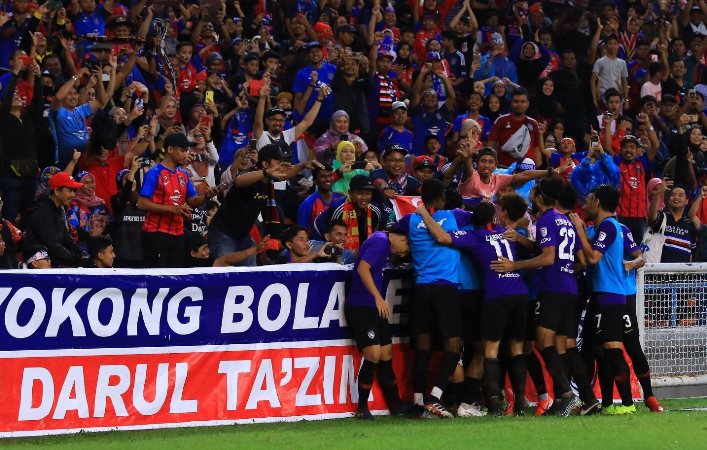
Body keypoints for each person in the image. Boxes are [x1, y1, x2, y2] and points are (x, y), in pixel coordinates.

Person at [491, 178, 598, 416]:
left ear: (539, 197)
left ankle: (567, 396)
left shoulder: (547, 220)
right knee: (563, 344)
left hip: (553, 288)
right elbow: (580, 260)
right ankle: (581, 399)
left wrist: (514, 265)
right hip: (570, 287)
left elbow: (548, 257)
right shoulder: (565, 220)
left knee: (542, 340)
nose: (531, 193)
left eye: (534, 190)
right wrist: (522, 240)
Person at [416, 200, 528, 416]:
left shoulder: (474, 236)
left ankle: (493, 405)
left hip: (495, 295)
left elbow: (442, 237)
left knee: (489, 350)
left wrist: (423, 213)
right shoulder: (507, 233)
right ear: (493, 218)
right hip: (519, 292)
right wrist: (520, 232)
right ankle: (520, 405)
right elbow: (533, 247)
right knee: (517, 349)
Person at [394, 180, 471, 418]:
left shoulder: (410, 220)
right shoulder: (454, 215)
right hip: (444, 289)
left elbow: (391, 234)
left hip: (420, 290)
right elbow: (480, 214)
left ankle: (418, 403)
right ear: (443, 198)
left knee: (423, 349)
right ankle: (434, 398)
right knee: (453, 348)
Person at [570, 185, 637, 415]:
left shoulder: (608, 226)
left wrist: (579, 229)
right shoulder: (605, 227)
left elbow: (592, 258)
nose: (584, 204)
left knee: (612, 350)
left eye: (588, 199)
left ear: (597, 202)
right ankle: (605, 403)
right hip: (602, 295)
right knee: (594, 348)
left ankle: (627, 404)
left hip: (609, 296)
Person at [346, 227, 411, 420]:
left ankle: (395, 404)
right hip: (362, 305)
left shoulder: (381, 241)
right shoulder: (380, 241)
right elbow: (362, 268)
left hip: (375, 307)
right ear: (402, 239)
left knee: (385, 353)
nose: (401, 254)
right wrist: (377, 297)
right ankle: (362, 407)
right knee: (373, 354)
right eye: (405, 250)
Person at [137, 133, 217, 268]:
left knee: (175, 275)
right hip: (156, 233)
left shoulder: (183, 174)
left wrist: (206, 196)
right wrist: (172, 209)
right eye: (182, 150)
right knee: (157, 275)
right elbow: (141, 203)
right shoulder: (154, 173)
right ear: (170, 149)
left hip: (178, 233)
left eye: (187, 150)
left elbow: (192, 201)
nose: (186, 154)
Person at [23, 172, 89, 267]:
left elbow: (67, 240)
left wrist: (82, 255)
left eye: (74, 191)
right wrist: (77, 260)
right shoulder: (42, 212)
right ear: (57, 191)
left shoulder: (57, 209)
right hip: (39, 267)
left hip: (53, 262)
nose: (73, 194)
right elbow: (52, 245)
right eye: (70, 190)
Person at [312, 175, 384, 252]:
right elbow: (333, 238)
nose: (364, 197)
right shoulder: (339, 210)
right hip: (320, 242)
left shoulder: (375, 212)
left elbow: (373, 238)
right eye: (359, 193)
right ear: (350, 193)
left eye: (368, 193)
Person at [486, 88, 543, 167]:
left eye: (522, 102)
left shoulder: (533, 123)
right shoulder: (501, 120)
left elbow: (536, 150)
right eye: (516, 101)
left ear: (527, 104)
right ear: (511, 103)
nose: (519, 104)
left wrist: (538, 169)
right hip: (504, 169)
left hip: (528, 170)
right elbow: (490, 147)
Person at [648, 182, 698, 263]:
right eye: (673, 195)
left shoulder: (690, 225)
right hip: (658, 269)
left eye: (680, 195)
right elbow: (651, 217)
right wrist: (658, 194)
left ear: (686, 201)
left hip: (681, 271)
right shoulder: (662, 217)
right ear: (668, 200)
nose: (676, 197)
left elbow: (692, 253)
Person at [297, 165, 344, 232]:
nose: (328, 179)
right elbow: (302, 231)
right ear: (315, 181)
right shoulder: (307, 204)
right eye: (323, 176)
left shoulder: (341, 199)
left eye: (330, 175)